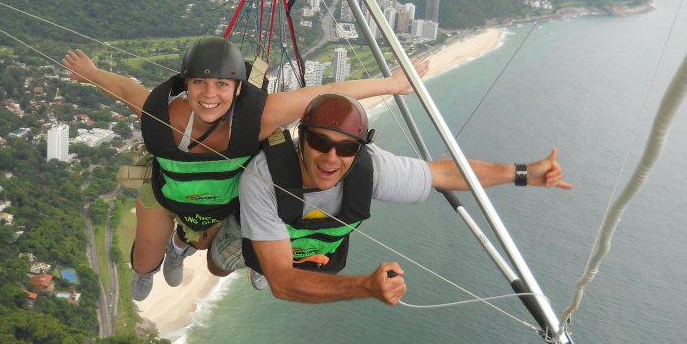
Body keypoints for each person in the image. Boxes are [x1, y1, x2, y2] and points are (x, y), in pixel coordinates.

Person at [63, 38, 425, 301]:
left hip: (222, 202)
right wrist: (92, 73)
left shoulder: (260, 118)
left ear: (237, 89)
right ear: (185, 85)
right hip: (170, 192)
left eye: (221, 84)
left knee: (209, 244)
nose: (210, 94)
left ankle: (181, 247)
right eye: (199, 83)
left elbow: (327, 90)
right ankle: (149, 268)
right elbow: (126, 88)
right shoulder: (164, 117)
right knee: (145, 256)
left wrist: (392, 85)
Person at [230, 93, 572, 305]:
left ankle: (273, 259)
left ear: (360, 150)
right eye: (320, 143)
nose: (331, 158)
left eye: (347, 148)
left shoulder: (372, 169)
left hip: (319, 254)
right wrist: (365, 286)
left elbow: (444, 174)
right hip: (270, 250)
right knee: (225, 262)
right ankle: (239, 246)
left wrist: (523, 173)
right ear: (301, 139)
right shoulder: (263, 179)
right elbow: (285, 284)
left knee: (285, 264)